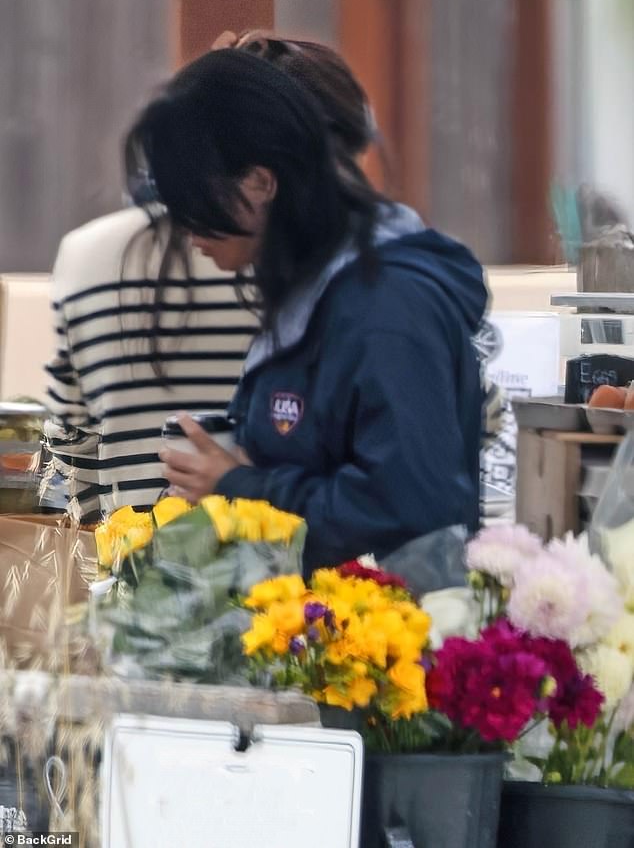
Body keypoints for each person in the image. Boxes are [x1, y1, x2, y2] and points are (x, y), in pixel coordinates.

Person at [125, 48, 488, 584]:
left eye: (191, 200)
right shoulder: (314, 289)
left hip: (384, 644)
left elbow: (408, 506)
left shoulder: (386, 304)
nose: (185, 228)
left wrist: (241, 488)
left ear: (260, 182)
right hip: (318, 634)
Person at [43, 32, 381, 521]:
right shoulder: (347, 271)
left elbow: (69, 459)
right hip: (317, 587)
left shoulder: (85, 255)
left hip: (137, 573)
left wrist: (130, 547)